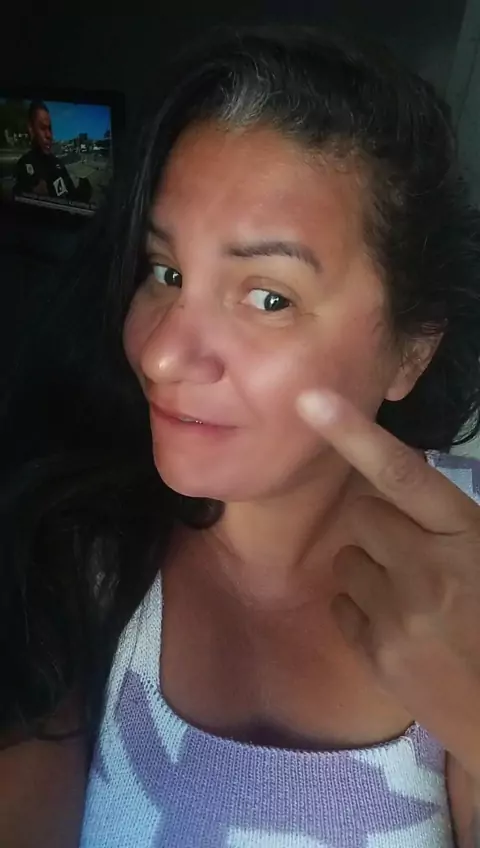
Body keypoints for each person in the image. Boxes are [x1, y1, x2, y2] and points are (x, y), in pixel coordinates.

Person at [2, 25, 480, 848]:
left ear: (411, 350)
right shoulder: (79, 554)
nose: (160, 354)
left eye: (268, 298)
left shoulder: (469, 572)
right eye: (166, 273)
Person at [14, 100, 92, 203]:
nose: (49, 135)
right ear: (31, 129)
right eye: (43, 128)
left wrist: (82, 194)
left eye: (50, 129)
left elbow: (71, 196)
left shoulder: (58, 163)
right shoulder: (24, 165)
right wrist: (35, 196)